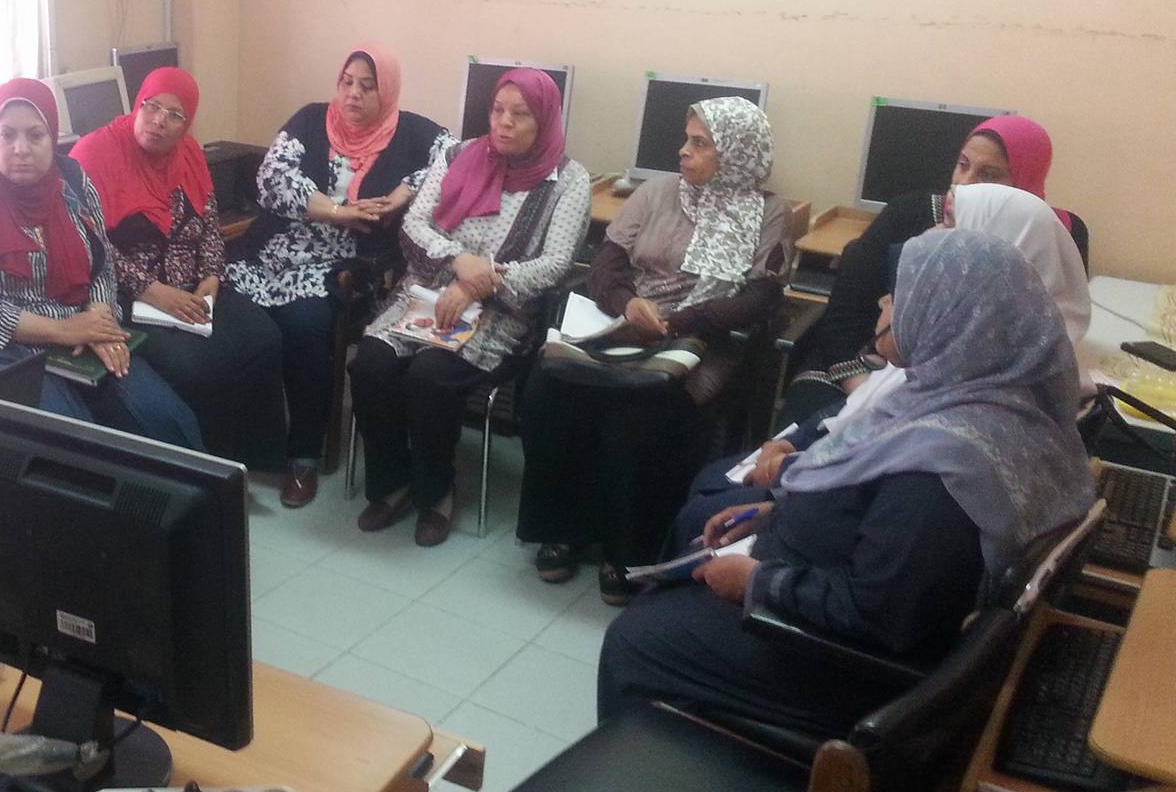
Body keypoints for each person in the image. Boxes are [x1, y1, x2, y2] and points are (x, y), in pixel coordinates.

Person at [596, 229, 1096, 736]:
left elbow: (882, 614)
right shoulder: (983, 401)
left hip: (835, 664)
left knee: (635, 639)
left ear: (949, 316)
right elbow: (873, 508)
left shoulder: (942, 471)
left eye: (898, 293)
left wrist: (756, 582)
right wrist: (774, 512)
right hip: (824, 586)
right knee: (678, 580)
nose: (882, 302)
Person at [664, 182, 1093, 554]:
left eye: (949, 221)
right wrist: (794, 451)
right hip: (845, 501)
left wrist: (786, 485)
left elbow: (892, 480)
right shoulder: (976, 337)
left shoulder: (985, 363)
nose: (932, 231)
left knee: (706, 508)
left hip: (845, 532)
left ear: (1003, 244)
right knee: (711, 487)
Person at [516, 96, 793, 600]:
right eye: (686, 140)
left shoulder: (769, 213)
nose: (683, 151)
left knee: (637, 417)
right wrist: (628, 306)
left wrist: (676, 323)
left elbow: (758, 299)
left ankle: (627, 548)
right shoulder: (657, 192)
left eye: (700, 143)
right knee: (545, 390)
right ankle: (563, 528)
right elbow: (606, 265)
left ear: (736, 153)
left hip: (703, 342)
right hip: (626, 324)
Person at [348, 69, 589, 546]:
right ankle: (392, 481)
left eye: (520, 115)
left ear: (545, 120)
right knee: (371, 365)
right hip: (426, 294)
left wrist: (481, 284)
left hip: (501, 312)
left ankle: (436, 491)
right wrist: (458, 261)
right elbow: (414, 224)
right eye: (498, 110)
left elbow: (556, 264)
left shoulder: (568, 180)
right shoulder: (456, 155)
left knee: (429, 376)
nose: (504, 122)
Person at [0, 78, 201, 448]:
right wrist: (62, 330)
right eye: (7, 135)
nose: (20, 149)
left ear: (52, 137)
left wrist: (100, 319)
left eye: (35, 135)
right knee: (76, 441)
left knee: (166, 420)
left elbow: (100, 261)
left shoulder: (73, 182)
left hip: (79, 333)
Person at [225, 45, 444, 506]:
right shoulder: (310, 119)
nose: (353, 94)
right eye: (347, 82)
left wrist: (403, 193)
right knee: (234, 321)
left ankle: (302, 454)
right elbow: (272, 178)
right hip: (270, 250)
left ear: (387, 91)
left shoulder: (410, 132)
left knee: (305, 328)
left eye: (368, 86)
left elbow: (455, 158)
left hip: (341, 264)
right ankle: (238, 443)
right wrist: (337, 211)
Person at [780, 114, 1087, 426]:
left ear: (1023, 181)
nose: (963, 183)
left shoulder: (1047, 240)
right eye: (962, 165)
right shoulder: (910, 214)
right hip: (864, 366)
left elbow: (1046, 343)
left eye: (988, 175)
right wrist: (865, 399)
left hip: (969, 399)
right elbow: (845, 316)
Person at [69, 66, 288, 468]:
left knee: (264, 336)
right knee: (198, 366)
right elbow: (90, 244)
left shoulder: (188, 153)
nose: (159, 121)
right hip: (132, 298)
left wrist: (211, 279)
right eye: (152, 106)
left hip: (193, 290)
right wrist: (153, 291)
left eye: (175, 115)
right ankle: (211, 470)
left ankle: (255, 463)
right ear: (138, 104)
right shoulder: (93, 155)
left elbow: (210, 227)